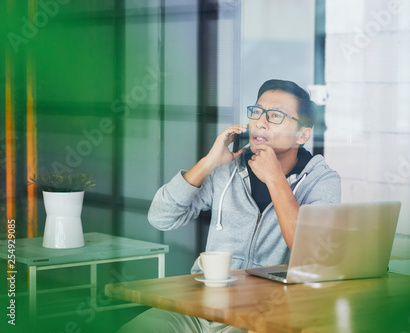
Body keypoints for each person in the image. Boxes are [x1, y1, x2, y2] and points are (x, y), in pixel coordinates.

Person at [117, 79, 341, 333]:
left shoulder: (321, 180)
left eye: (275, 116)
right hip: (198, 306)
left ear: (303, 134)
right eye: (257, 112)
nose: (261, 122)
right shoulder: (228, 167)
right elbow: (160, 218)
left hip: (262, 314)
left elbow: (310, 249)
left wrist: (275, 179)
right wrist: (209, 162)